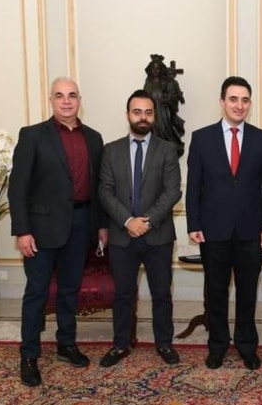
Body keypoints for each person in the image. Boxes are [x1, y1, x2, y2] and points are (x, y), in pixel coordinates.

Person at [8, 77, 107, 387]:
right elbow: (18, 187)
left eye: (72, 95)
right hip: (41, 229)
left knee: (69, 289)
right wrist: (22, 231)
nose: (66, 101)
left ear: (80, 100)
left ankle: (66, 344)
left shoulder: (94, 138)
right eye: (60, 95)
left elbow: (99, 188)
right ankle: (29, 355)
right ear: (50, 100)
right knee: (36, 292)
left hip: (81, 223)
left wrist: (101, 226)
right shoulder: (32, 135)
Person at [185, 76, 262, 371]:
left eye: (245, 100)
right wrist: (193, 223)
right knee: (215, 293)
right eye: (234, 99)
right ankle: (217, 346)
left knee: (248, 294)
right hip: (213, 231)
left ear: (250, 104)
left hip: (252, 232)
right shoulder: (202, 138)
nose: (239, 105)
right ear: (222, 102)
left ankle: (247, 346)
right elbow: (194, 186)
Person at [97, 89, 183, 367]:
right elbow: (105, 191)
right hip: (122, 236)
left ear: (154, 116)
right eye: (137, 112)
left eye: (148, 112)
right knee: (123, 294)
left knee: (162, 294)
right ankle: (120, 344)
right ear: (128, 115)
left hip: (158, 235)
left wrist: (146, 221)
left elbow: (173, 191)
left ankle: (164, 343)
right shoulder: (111, 150)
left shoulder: (167, 149)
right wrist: (128, 221)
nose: (143, 117)